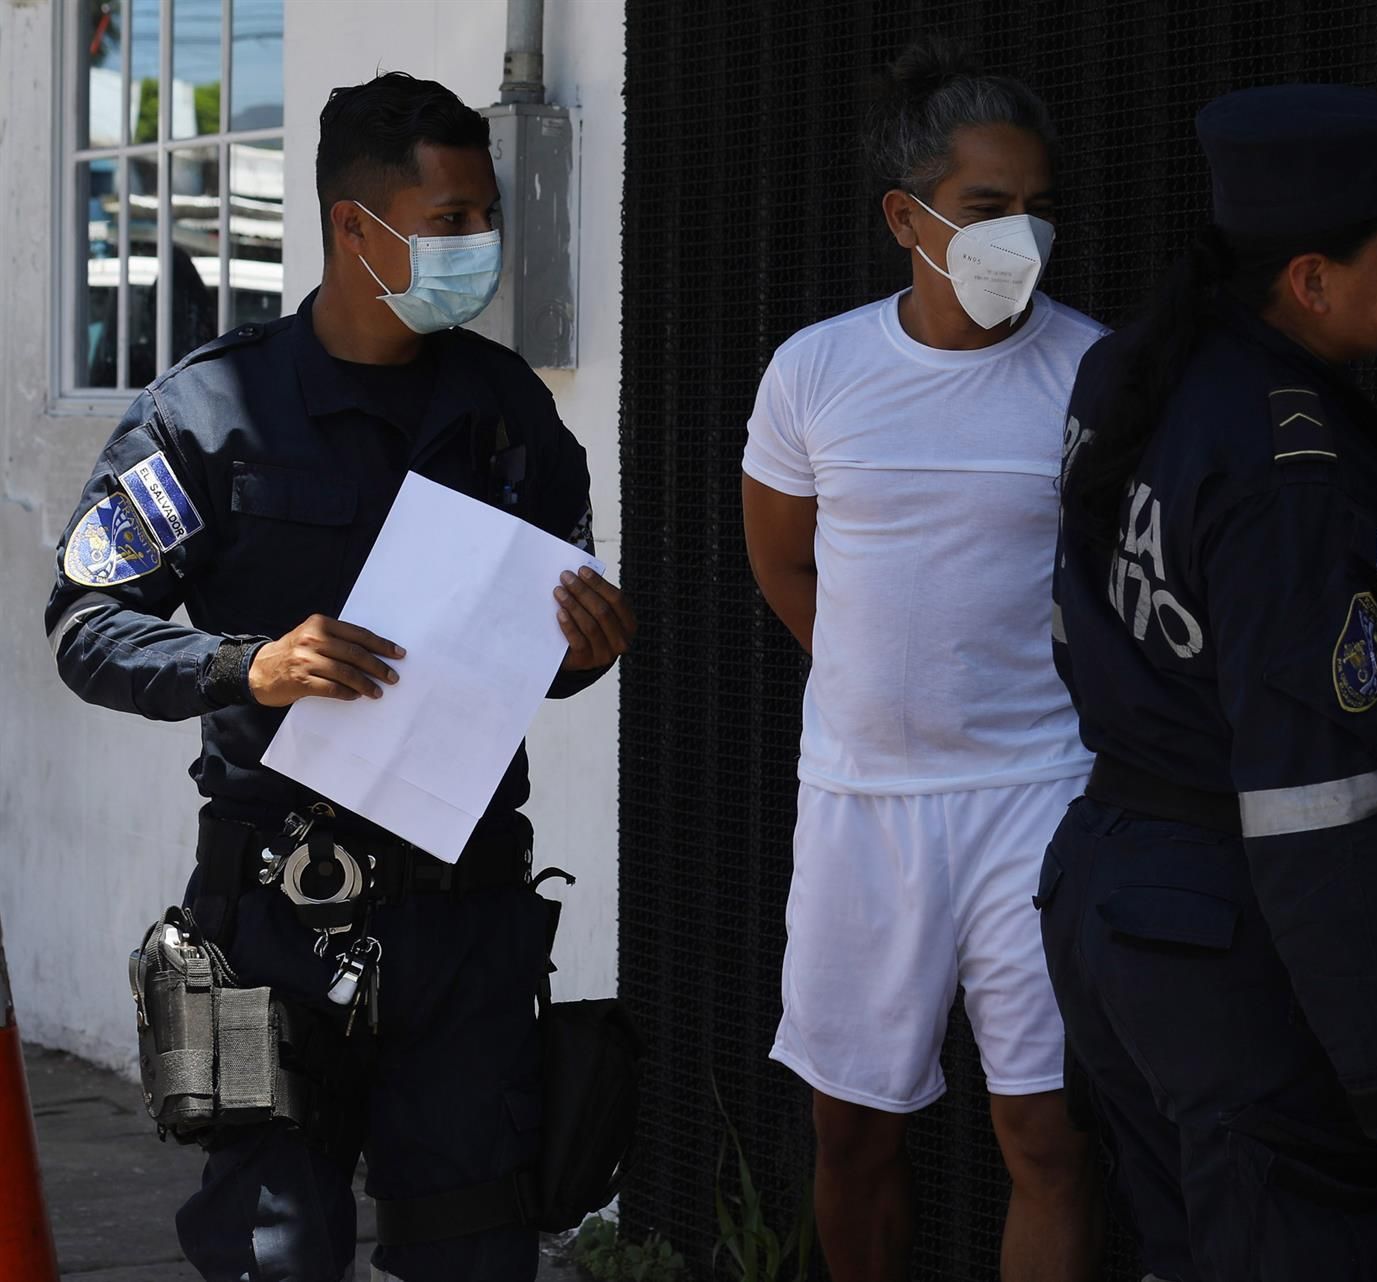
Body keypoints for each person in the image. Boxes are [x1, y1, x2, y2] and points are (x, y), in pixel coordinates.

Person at [44, 73, 635, 1282]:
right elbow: (85, 626)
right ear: (354, 229)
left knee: (476, 1252)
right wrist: (246, 665)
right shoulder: (210, 411)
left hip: (467, 914)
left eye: (486, 218)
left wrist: (582, 649)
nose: (478, 245)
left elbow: (543, 663)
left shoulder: (508, 412)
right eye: (450, 220)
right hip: (274, 917)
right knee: (276, 1254)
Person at [1041, 84, 1377, 1281]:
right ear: (1310, 279)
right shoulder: (1292, 476)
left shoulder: (1142, 376)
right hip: (1237, 943)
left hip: (1126, 902)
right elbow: (1313, 806)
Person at [739, 40, 1104, 1282]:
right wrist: (866, 684)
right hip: (861, 807)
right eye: (988, 208)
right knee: (852, 1129)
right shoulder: (817, 370)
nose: (1022, 234)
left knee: (1046, 1132)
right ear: (908, 215)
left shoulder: (1093, 373)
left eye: (1037, 208)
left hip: (1041, 798)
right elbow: (783, 561)